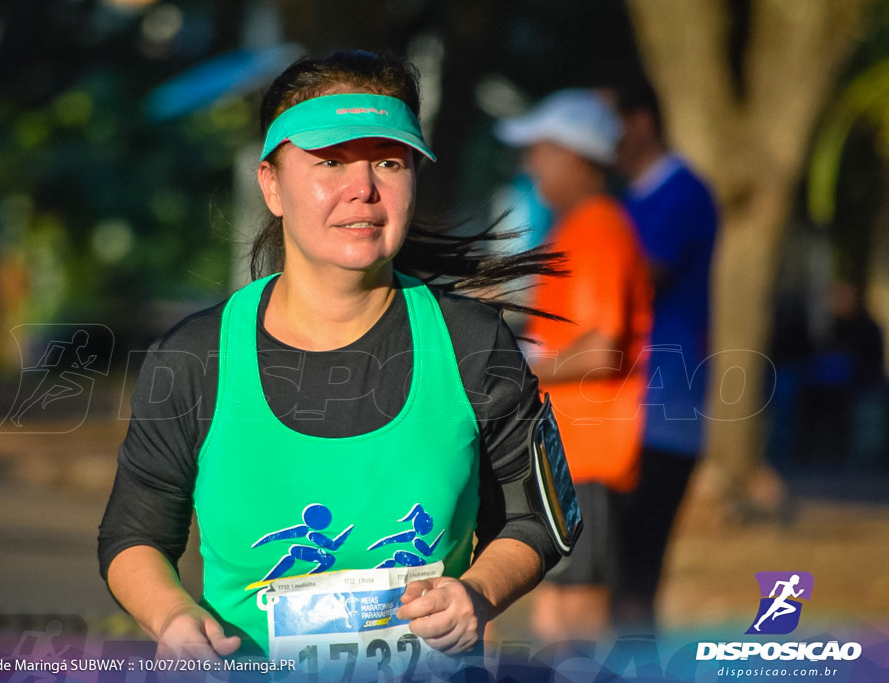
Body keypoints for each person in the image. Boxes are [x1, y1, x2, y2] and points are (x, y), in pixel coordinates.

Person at [98, 50, 573, 663]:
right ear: (271, 184)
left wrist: (478, 593)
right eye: (330, 162)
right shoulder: (195, 358)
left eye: (388, 161)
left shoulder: (472, 343)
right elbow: (134, 536)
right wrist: (173, 617)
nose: (363, 189)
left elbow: (539, 515)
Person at [495, 89, 653, 641]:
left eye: (540, 149)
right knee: (556, 610)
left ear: (576, 155)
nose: (530, 162)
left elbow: (601, 349)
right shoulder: (577, 227)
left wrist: (507, 378)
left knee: (578, 614)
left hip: (589, 454)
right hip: (566, 451)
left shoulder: (600, 228)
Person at [607, 78, 719, 631]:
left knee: (631, 581)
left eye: (606, 121)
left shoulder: (682, 193)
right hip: (626, 414)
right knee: (611, 580)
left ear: (642, 121)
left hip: (662, 414)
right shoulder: (628, 202)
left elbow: (640, 278)